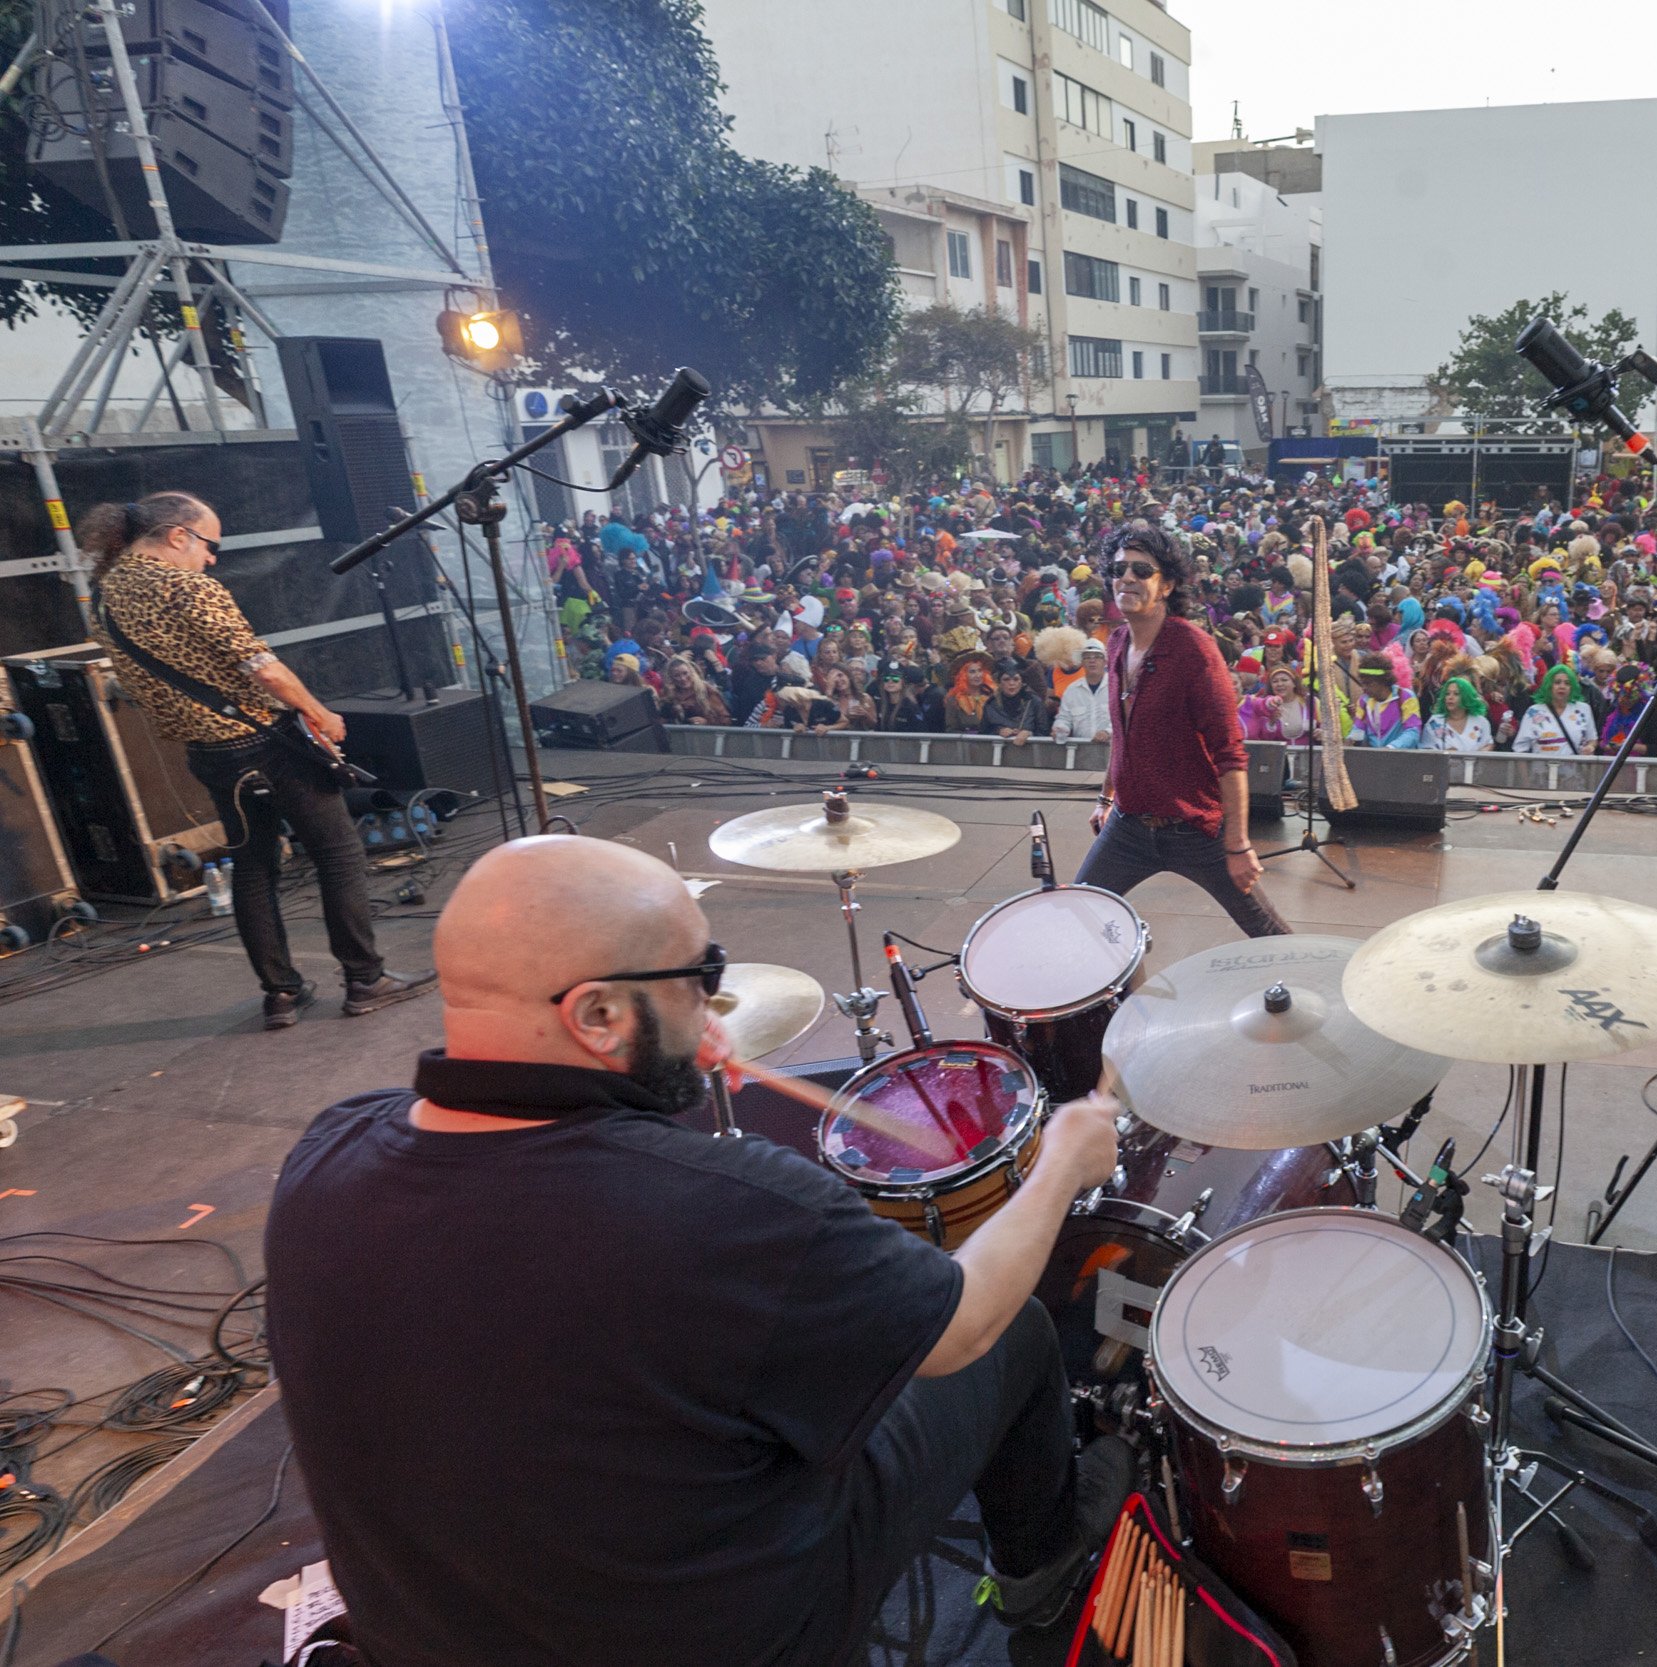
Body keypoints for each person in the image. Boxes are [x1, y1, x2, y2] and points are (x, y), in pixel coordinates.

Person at [263, 836, 1133, 1667]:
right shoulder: (734, 1211)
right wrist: (1060, 1163)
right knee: (1014, 1331)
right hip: (738, 1638)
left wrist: (654, 1065)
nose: (716, 1006)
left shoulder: (324, 1158)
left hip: (429, 1630)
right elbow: (964, 1323)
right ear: (599, 1013)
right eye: (700, 977)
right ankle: (1042, 1579)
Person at [79, 492, 433, 1029]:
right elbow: (261, 667)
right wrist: (318, 712)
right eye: (209, 544)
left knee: (253, 868)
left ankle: (281, 994)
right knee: (338, 855)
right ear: (179, 536)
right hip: (264, 745)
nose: (212, 558)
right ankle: (365, 979)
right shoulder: (186, 585)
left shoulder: (102, 597)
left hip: (209, 754)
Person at [1076, 522, 1289, 938]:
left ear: (1168, 584)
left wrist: (1239, 843)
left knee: (1264, 928)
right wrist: (1106, 798)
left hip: (1196, 829)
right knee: (1082, 910)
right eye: (1119, 570)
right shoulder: (1117, 643)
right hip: (1128, 824)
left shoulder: (1194, 650)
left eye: (1142, 570)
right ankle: (1113, 999)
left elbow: (1230, 754)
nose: (1128, 579)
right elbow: (1123, 735)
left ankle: (1311, 991)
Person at [1510, 663, 1598, 755]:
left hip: (1574, 768)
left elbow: (1592, 739)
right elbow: (1520, 749)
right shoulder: (1533, 711)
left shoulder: (1584, 709)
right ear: (1549, 685)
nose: (1562, 687)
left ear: (1572, 687)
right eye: (1557, 682)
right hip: (1540, 769)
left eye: (1567, 683)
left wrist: (1590, 747)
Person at [1051, 639, 1114, 743]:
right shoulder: (1072, 690)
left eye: (1097, 657)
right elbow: (1064, 718)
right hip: (1082, 752)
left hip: (1111, 752)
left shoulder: (1116, 687)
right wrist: (1060, 728)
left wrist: (1107, 732)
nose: (1092, 661)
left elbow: (1123, 717)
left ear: (1105, 661)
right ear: (1082, 662)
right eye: (1087, 657)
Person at [1423, 676, 1493, 752]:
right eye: (1447, 694)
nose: (1450, 697)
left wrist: (1481, 754)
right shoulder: (1434, 722)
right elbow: (1426, 750)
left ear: (1466, 697)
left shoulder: (1481, 722)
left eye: (1456, 694)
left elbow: (1488, 744)